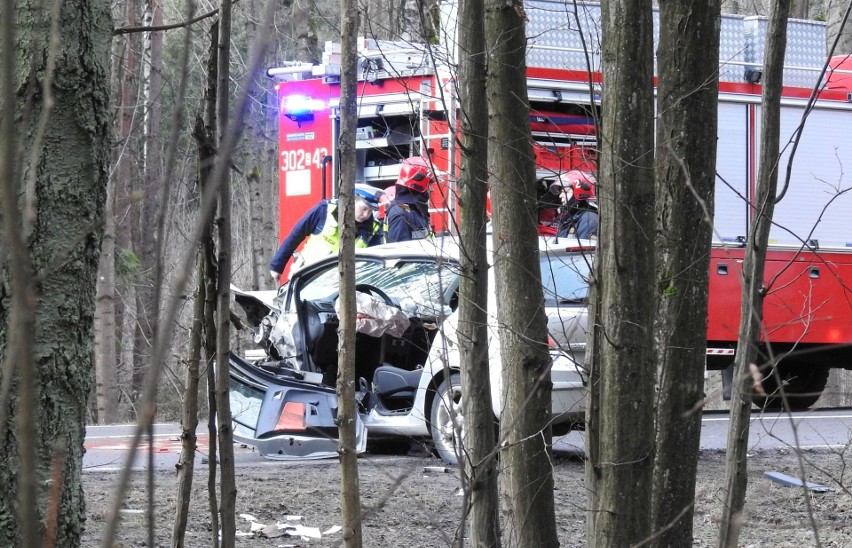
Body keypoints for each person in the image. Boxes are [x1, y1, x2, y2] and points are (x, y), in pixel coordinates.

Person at [269, 186, 384, 279]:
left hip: (338, 287)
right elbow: (295, 235)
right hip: (305, 276)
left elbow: (373, 263)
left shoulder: (372, 229)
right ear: (352, 201)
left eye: (371, 211)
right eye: (363, 209)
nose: (366, 215)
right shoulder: (325, 209)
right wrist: (277, 266)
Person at [385, 156, 435, 243]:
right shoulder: (400, 213)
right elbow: (399, 253)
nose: (431, 189)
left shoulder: (412, 210)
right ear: (419, 183)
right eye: (429, 184)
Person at [556, 170, 599, 240]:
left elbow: (585, 250)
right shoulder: (571, 217)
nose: (560, 196)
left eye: (566, 192)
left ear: (579, 194)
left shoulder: (589, 219)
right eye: (561, 192)